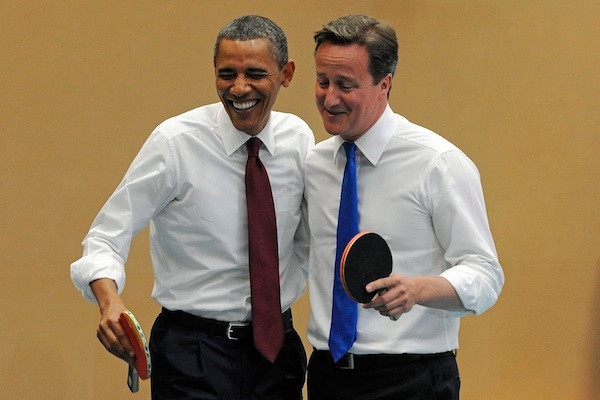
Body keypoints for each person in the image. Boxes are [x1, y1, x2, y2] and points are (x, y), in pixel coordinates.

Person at [70, 15, 314, 400]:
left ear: (287, 74)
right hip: (193, 355)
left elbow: (307, 241)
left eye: (255, 74)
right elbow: (105, 237)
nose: (239, 88)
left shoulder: (298, 139)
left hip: (276, 354)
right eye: (227, 74)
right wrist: (109, 302)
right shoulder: (174, 143)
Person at [304, 14, 504, 400]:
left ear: (385, 84)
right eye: (323, 81)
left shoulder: (438, 163)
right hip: (327, 375)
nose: (329, 99)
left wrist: (417, 289)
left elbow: (486, 275)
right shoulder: (315, 164)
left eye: (346, 85)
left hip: (411, 379)